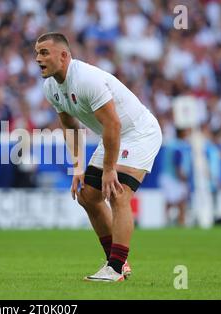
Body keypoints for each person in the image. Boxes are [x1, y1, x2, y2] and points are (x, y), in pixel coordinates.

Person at [35, 32, 162, 282]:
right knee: (88, 195)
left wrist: (110, 168)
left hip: (137, 133)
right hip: (112, 135)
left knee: (117, 192)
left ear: (63, 56)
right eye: (36, 53)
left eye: (44, 53)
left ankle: (114, 269)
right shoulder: (50, 87)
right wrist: (77, 167)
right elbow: (69, 127)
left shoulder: (86, 79)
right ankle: (117, 264)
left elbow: (114, 124)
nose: (38, 58)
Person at [159, 128, 192, 226]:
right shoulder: (179, 146)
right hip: (173, 177)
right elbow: (177, 162)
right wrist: (182, 176)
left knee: (171, 200)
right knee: (180, 200)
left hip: (167, 176)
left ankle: (166, 220)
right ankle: (181, 222)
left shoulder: (170, 144)